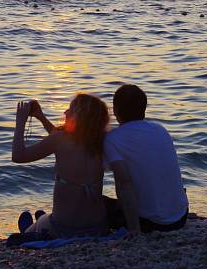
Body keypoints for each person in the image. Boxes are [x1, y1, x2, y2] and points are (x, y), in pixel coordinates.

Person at [11, 94, 110, 238]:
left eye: (70, 109)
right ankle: (41, 220)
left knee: (36, 225)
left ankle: (31, 228)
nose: (65, 112)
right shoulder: (103, 141)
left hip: (64, 228)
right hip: (98, 227)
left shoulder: (60, 140)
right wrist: (41, 117)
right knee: (44, 218)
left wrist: (20, 122)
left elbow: (18, 156)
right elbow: (60, 140)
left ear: (79, 117)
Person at [103, 84, 189, 234]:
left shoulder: (113, 139)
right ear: (144, 108)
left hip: (151, 223)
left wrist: (134, 229)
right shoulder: (160, 129)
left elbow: (124, 184)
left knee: (93, 202)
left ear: (115, 111)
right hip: (181, 217)